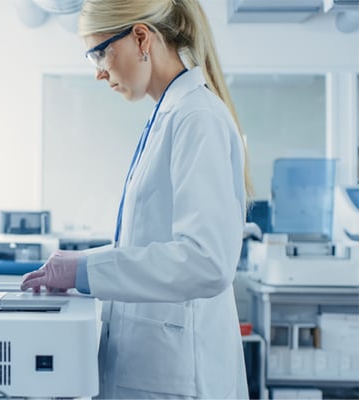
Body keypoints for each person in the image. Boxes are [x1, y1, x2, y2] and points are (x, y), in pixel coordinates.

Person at [19, 0, 251, 398]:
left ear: (141, 37)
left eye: (101, 52)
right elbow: (145, 248)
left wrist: (86, 270)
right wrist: (80, 267)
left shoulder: (197, 118)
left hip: (179, 376)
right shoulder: (168, 115)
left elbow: (207, 261)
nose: (98, 72)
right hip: (155, 366)